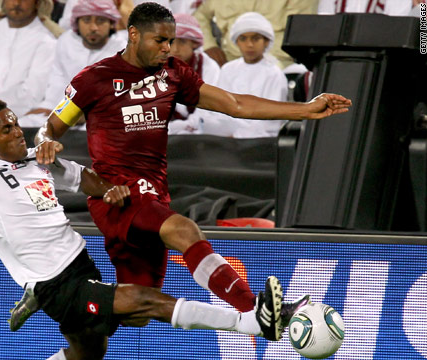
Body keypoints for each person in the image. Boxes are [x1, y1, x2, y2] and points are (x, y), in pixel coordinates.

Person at [0, 98, 299, 359]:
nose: (17, 131)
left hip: (78, 262)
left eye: (17, 123)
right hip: (55, 284)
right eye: (5, 129)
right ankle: (254, 321)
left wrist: (103, 187)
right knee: (145, 301)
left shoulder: (36, 160)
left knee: (92, 349)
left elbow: (84, 179)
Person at [34, 1, 349, 330]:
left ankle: (55, 297)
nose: (167, 48)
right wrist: (46, 141)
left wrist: (305, 109)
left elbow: (235, 104)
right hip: (117, 195)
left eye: (171, 41)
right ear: (133, 34)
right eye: (160, 41)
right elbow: (52, 125)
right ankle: (258, 312)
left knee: (136, 308)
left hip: (154, 197)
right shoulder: (94, 79)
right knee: (185, 230)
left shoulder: (173, 73)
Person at [18, 0, 125, 128]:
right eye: (86, 20)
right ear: (77, 23)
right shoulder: (66, 42)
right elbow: (57, 82)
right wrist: (46, 107)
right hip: (62, 112)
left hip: (102, 119)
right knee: (23, 124)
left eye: (101, 21)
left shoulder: (123, 50)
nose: (93, 28)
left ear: (112, 24)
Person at [200, 12, 289, 138]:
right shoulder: (228, 69)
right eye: (243, 39)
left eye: (255, 38)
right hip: (225, 138)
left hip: (259, 141)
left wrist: (239, 135)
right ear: (236, 42)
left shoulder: (274, 74)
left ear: (266, 41)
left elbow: (270, 122)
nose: (249, 44)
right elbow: (219, 110)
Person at [193, 0, 317, 68]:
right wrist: (208, 45)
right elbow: (200, 15)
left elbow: (301, 30)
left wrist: (254, 60)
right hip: (228, 58)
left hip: (278, 59)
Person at [167, 13, 221, 134]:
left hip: (199, 134)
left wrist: (183, 127)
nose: (175, 49)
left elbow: (208, 109)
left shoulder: (209, 67)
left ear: (194, 43)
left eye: (182, 42)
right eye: (171, 42)